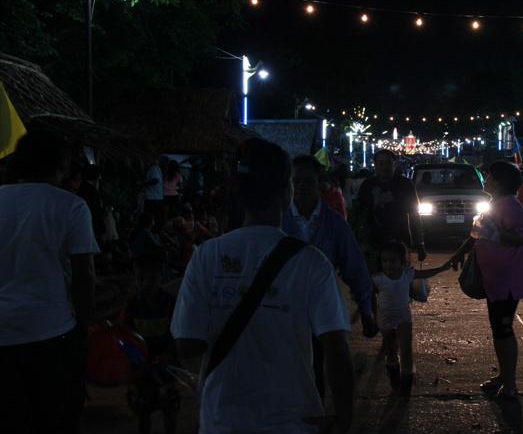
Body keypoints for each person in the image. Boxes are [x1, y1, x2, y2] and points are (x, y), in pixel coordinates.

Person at [172, 138, 354, 434]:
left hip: (222, 419)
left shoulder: (206, 256)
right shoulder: (311, 262)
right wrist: (344, 417)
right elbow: (336, 348)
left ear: (239, 195)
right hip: (294, 420)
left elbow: (187, 344)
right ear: (286, 194)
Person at [0, 129, 99, 433]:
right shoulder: (70, 206)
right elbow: (84, 275)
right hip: (52, 332)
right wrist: (83, 327)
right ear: (61, 165)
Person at [283, 155, 378, 398]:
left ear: (319, 184)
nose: (301, 187)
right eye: (296, 181)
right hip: (283, 309)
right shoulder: (278, 221)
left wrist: (366, 309)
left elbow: (354, 267)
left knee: (319, 367)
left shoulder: (334, 223)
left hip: (321, 308)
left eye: (307, 181)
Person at [452, 161, 523, 401]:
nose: (485, 179)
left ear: (498, 182)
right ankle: (503, 376)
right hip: (495, 279)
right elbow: (478, 233)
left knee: (503, 329)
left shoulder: (512, 206)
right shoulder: (495, 204)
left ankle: (510, 385)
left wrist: (494, 230)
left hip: (508, 280)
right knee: (498, 329)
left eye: (488, 176)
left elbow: (520, 238)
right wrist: (459, 253)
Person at [373, 241, 454, 396]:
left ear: (401, 260)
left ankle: (405, 387)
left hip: (403, 317)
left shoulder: (407, 274)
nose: (388, 264)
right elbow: (369, 294)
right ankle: (394, 375)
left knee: (406, 352)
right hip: (384, 318)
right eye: (384, 261)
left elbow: (425, 273)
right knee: (391, 350)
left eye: (392, 260)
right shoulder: (378, 279)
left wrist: (442, 268)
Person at [122, 253, 179, 434]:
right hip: (141, 367)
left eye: (152, 278)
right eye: (141, 279)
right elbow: (126, 336)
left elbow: (177, 333)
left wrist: (168, 355)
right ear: (135, 279)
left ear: (162, 277)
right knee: (143, 407)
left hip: (167, 365)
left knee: (169, 405)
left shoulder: (170, 303)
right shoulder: (132, 304)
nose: (147, 283)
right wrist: (135, 358)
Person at [356, 149, 426, 270]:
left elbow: (414, 215)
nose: (384, 167)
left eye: (388, 163)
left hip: (399, 240)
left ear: (394, 164)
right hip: (373, 242)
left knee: (400, 276)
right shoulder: (367, 185)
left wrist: (420, 243)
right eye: (381, 163)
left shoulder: (405, 185)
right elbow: (359, 214)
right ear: (375, 164)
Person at [142, 157, 165, 222]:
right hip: (156, 198)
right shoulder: (157, 169)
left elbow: (155, 180)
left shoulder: (153, 169)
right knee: (154, 217)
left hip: (152, 197)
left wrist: (143, 184)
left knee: (150, 217)